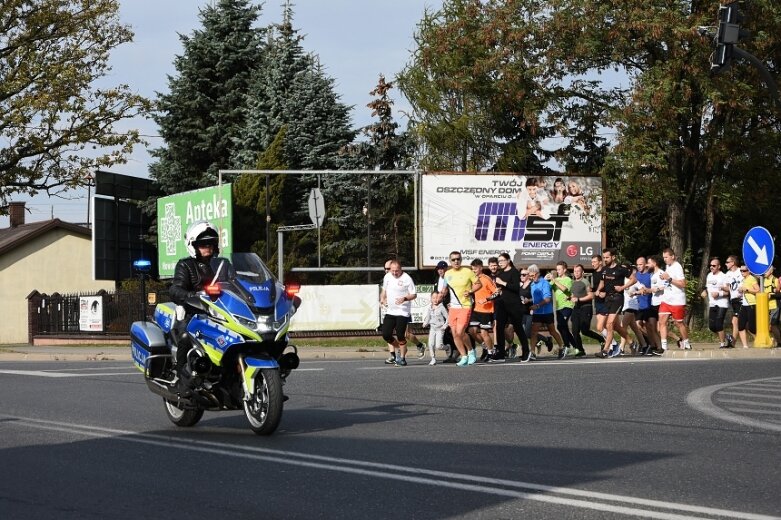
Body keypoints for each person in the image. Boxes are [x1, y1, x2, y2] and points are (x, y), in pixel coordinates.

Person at [169, 220, 222, 395]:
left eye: (211, 243)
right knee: (186, 336)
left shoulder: (223, 264)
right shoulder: (185, 265)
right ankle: (181, 379)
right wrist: (191, 296)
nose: (208, 247)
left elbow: (238, 282)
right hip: (194, 313)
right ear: (193, 246)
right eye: (202, 244)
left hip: (221, 313)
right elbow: (176, 288)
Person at [440, 250, 481, 366]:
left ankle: (471, 351)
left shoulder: (467, 271)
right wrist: (442, 293)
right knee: (455, 334)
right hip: (453, 307)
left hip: (465, 305)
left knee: (460, 332)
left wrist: (471, 291)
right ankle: (463, 356)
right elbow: (445, 287)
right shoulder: (447, 273)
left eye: (458, 259)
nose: (456, 261)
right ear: (450, 261)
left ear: (461, 260)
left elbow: (478, 284)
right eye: (453, 259)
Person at [594, 248, 635, 358]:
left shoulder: (621, 269)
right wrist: (598, 290)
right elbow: (602, 282)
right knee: (613, 326)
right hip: (607, 299)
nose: (605, 259)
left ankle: (606, 350)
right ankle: (631, 342)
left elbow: (633, 279)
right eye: (604, 257)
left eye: (607, 257)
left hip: (617, 299)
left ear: (613, 257)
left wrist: (622, 287)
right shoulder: (604, 269)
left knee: (609, 324)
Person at [492, 253, 531, 362]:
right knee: (499, 328)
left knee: (518, 328)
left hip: (513, 304)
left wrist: (502, 283)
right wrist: (494, 293)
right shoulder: (500, 273)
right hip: (502, 304)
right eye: (499, 261)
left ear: (508, 260)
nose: (500, 263)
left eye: (502, 260)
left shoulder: (514, 272)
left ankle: (526, 351)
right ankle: (500, 354)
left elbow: (515, 288)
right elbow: (500, 289)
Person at [380, 260, 417, 366]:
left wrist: (404, 298)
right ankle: (401, 350)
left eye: (397, 271)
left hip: (403, 311)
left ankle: (402, 358)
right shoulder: (387, 277)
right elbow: (384, 290)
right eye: (393, 271)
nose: (395, 273)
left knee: (401, 334)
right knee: (386, 334)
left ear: (401, 269)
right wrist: (382, 298)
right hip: (391, 310)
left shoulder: (407, 279)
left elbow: (414, 295)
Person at [528, 264, 565, 359]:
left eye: (533, 276)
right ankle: (532, 352)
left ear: (537, 274)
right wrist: (530, 302)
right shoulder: (532, 284)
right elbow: (534, 298)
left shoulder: (544, 283)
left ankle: (562, 347)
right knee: (533, 332)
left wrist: (537, 305)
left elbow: (548, 298)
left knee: (552, 331)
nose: (532, 278)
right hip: (537, 313)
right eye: (530, 276)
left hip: (547, 312)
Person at [659, 248, 691, 350]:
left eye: (666, 257)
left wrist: (669, 278)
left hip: (677, 300)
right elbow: (668, 281)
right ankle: (664, 347)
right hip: (666, 299)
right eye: (663, 257)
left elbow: (683, 284)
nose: (665, 259)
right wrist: (664, 279)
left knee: (679, 323)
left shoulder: (677, 267)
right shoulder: (667, 266)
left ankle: (686, 343)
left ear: (672, 256)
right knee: (662, 322)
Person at [569, 263, 604, 356]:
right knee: (574, 331)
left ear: (582, 272)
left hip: (586, 308)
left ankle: (601, 339)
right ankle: (580, 350)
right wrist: (570, 298)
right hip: (576, 308)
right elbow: (574, 295)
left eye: (578, 271)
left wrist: (579, 299)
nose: (576, 273)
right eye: (575, 271)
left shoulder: (585, 282)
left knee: (584, 330)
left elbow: (591, 295)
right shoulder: (573, 283)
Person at [468, 259, 497, 359]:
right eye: (472, 269)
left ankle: (491, 352)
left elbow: (497, 292)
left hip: (486, 310)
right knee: (472, 331)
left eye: (475, 269)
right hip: (475, 309)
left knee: (484, 332)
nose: (474, 271)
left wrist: (486, 299)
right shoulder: (473, 279)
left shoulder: (486, 279)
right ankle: (485, 346)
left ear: (481, 268)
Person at [549, 261, 577, 359]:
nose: (558, 271)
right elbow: (548, 287)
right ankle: (576, 347)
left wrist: (554, 280)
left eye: (559, 269)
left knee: (562, 324)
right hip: (558, 307)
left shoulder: (568, 279)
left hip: (567, 305)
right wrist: (545, 280)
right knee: (561, 327)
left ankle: (567, 346)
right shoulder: (555, 279)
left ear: (564, 270)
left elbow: (565, 289)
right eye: (557, 269)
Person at [705, 257, 730, 348]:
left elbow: (728, 292)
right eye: (710, 265)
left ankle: (722, 344)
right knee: (712, 327)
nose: (711, 267)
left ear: (719, 266)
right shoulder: (709, 275)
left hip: (722, 303)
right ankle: (727, 337)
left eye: (714, 265)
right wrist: (705, 291)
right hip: (712, 303)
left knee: (719, 324)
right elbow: (708, 288)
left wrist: (718, 294)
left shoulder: (724, 276)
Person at [422, 292, 448, 365]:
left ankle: (447, 348)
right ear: (431, 299)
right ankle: (433, 359)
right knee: (430, 344)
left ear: (440, 298)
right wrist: (425, 323)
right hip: (432, 329)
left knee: (439, 346)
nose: (435, 299)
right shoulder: (430, 308)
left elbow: (448, 318)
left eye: (437, 298)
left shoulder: (442, 308)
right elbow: (428, 317)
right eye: (433, 298)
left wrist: (445, 326)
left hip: (440, 329)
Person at [723, 255, 742, 348]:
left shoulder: (741, 271)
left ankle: (733, 343)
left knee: (735, 321)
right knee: (740, 323)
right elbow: (727, 288)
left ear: (733, 263)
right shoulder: (728, 274)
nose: (725, 264)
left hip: (742, 299)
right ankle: (733, 342)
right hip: (733, 299)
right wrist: (720, 287)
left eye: (727, 262)